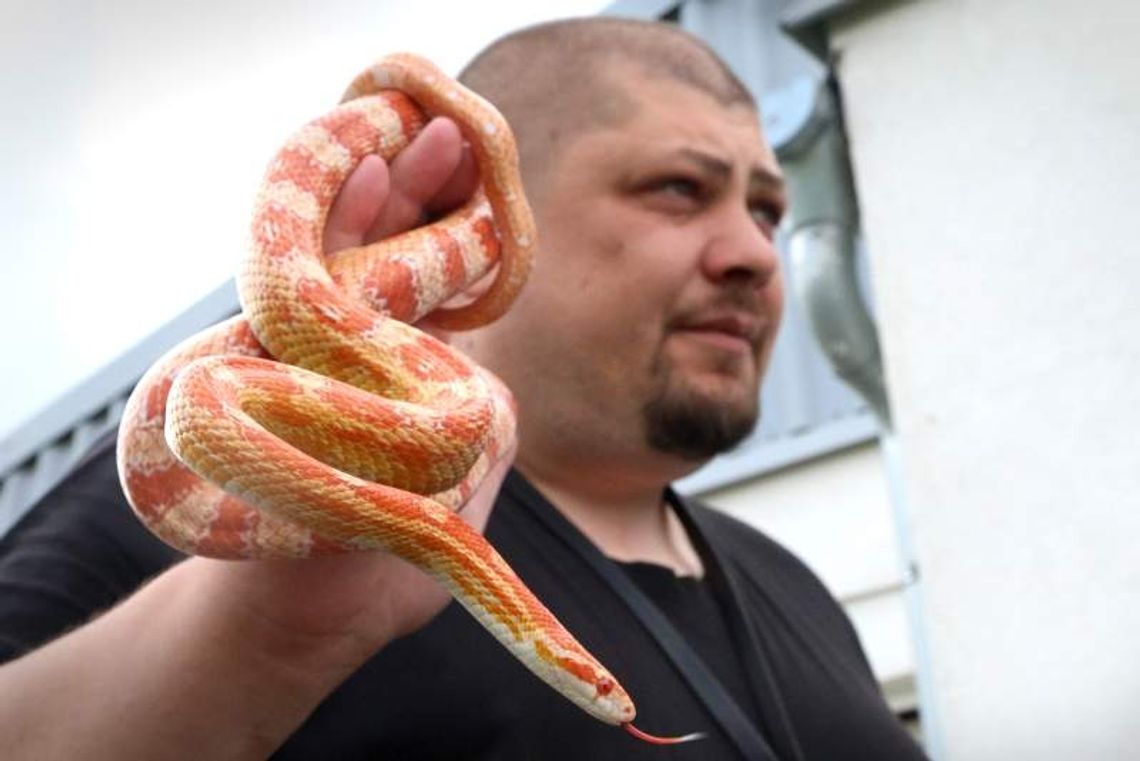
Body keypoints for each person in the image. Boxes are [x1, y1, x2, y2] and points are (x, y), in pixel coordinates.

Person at [0, 17, 927, 761]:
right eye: (680, 189)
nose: (755, 255)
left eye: (768, 208)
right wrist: (274, 627)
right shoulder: (245, 449)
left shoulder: (792, 583)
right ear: (472, 214)